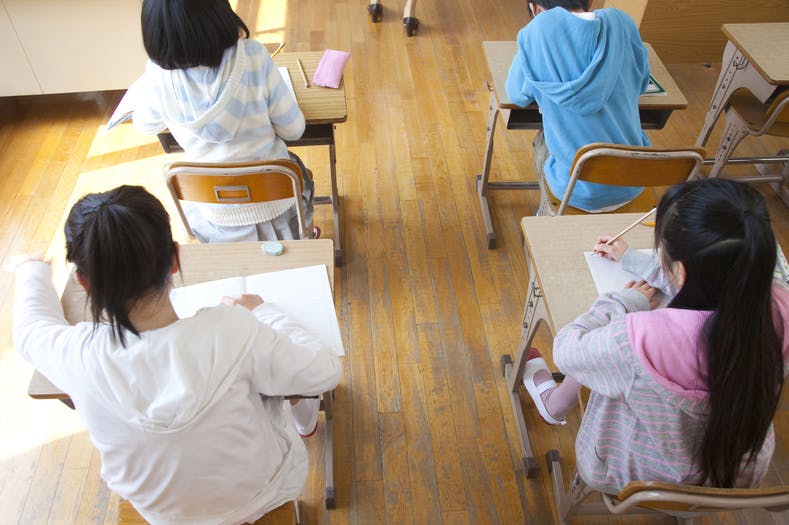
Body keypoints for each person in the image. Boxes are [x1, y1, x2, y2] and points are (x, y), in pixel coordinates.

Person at [13, 186, 341, 524]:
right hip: (262, 495)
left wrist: (31, 270)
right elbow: (326, 370)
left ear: (84, 283)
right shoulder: (231, 330)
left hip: (166, 516)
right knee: (274, 390)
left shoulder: (79, 355)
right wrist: (263, 311)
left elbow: (29, 331)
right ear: (174, 259)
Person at [522, 178, 789, 494]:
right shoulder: (779, 305)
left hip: (637, 476)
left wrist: (622, 302)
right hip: (734, 475)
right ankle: (556, 405)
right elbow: (716, 280)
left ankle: (554, 406)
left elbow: (567, 350)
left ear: (681, 270)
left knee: (603, 363)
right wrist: (634, 260)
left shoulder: (640, 340)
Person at [131, 0, 316, 242]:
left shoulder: (156, 75)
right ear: (218, 13)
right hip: (278, 205)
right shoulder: (253, 55)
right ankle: (307, 234)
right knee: (298, 169)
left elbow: (145, 125)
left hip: (213, 215)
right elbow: (294, 130)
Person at [505, 0, 650, 214]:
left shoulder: (537, 32)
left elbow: (517, 94)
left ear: (535, 8)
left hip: (573, 190)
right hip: (633, 180)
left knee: (543, 140)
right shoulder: (622, 23)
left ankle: (545, 216)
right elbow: (642, 83)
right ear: (590, 1)